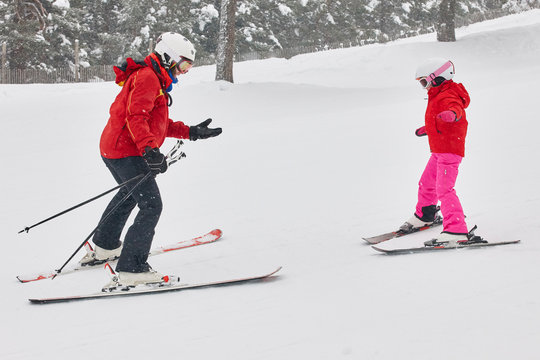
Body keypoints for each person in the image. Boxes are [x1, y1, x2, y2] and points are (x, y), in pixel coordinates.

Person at [79, 32, 222, 289]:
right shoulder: (147, 77)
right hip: (125, 150)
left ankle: (105, 246)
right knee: (151, 205)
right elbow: (136, 117)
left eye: (188, 67)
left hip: (114, 147)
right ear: (169, 58)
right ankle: (132, 268)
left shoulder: (154, 77)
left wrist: (191, 132)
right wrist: (149, 151)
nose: (184, 72)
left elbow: (157, 123)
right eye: (184, 65)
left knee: (129, 194)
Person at [400, 58, 471, 246]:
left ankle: (456, 230)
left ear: (437, 78)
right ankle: (425, 215)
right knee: (426, 183)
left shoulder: (448, 94)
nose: (424, 87)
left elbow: (455, 108)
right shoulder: (437, 94)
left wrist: (453, 114)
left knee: (444, 189)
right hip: (439, 149)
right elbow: (438, 118)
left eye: (424, 82)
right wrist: (428, 128)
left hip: (450, 150)